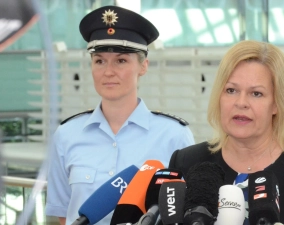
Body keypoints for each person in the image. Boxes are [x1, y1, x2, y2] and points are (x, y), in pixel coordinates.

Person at [168, 40, 284, 225]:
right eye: (231, 90)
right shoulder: (187, 162)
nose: (241, 103)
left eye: (256, 93)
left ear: (276, 103)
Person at [45, 5, 195, 225]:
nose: (108, 71)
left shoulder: (175, 136)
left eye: (121, 60)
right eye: (99, 61)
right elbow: (63, 215)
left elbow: (184, 210)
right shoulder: (66, 135)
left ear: (143, 66)